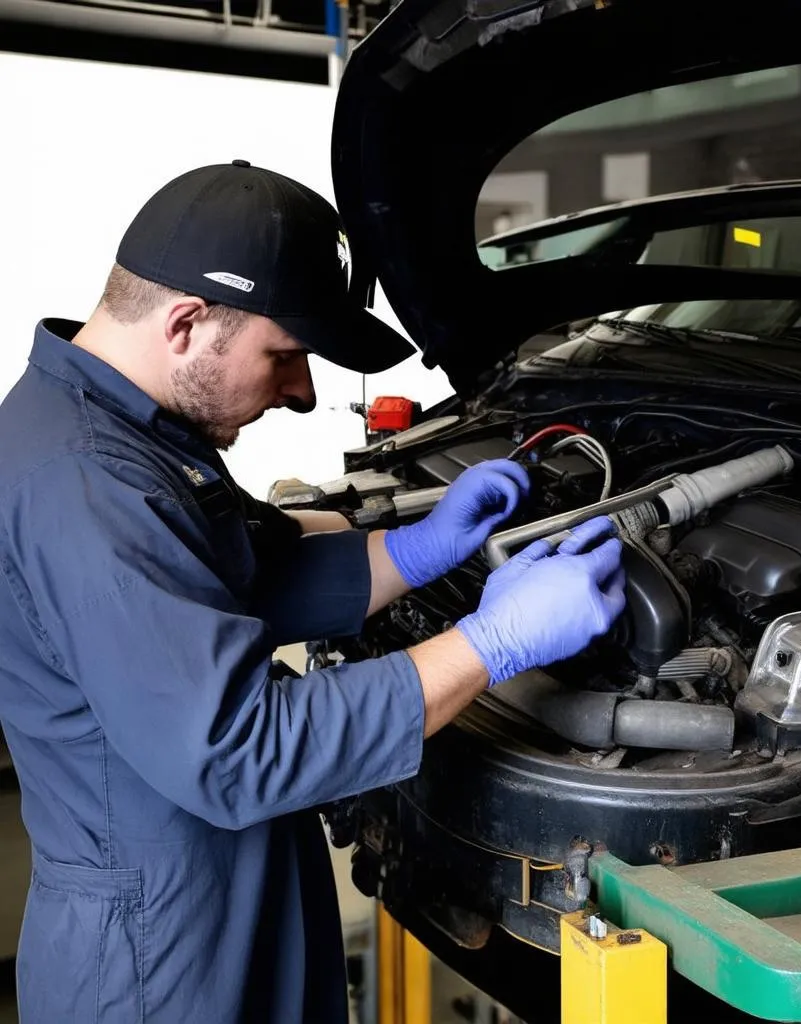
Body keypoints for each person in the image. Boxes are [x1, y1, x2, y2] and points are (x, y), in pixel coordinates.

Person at [0, 161, 626, 1023]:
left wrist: (420, 547)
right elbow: (237, 750)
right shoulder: (89, 485)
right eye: (287, 355)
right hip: (161, 967)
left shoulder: (114, 432)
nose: (301, 393)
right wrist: (491, 644)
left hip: (211, 902)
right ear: (186, 323)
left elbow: (234, 578)